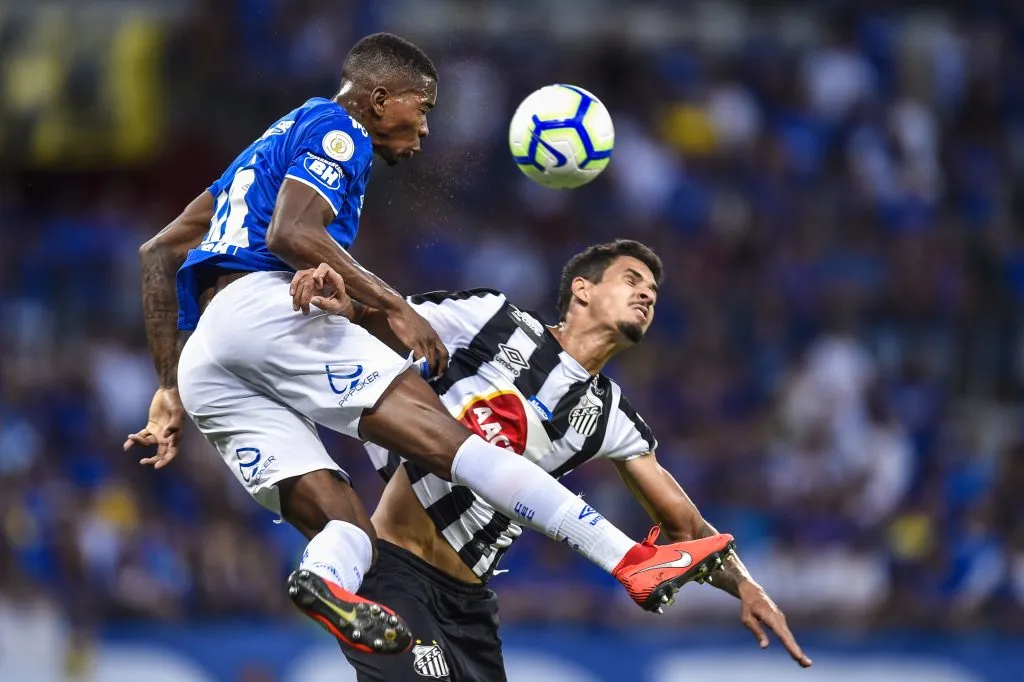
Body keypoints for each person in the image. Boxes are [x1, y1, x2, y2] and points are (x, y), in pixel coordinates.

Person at [125, 33, 735, 657]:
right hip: (264, 309)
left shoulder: (257, 155)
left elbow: (159, 253)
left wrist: (169, 387)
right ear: (381, 97)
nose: (424, 130)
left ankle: (322, 580)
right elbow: (291, 231)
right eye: (424, 108)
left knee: (349, 531)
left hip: (206, 361)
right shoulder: (340, 129)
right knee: (455, 442)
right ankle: (630, 560)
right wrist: (393, 306)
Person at [288, 240, 813, 681]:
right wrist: (348, 306)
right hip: (396, 569)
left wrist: (746, 585)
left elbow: (686, 525)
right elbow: (393, 317)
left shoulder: (612, 418)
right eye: (631, 279)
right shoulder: (493, 319)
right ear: (582, 290)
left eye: (652, 289)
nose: (647, 292)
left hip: (469, 605)